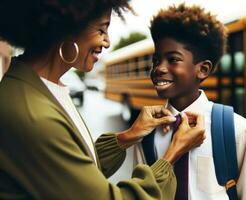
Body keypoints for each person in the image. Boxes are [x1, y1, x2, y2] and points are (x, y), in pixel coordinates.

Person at [0, 1, 206, 199]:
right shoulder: (35, 115)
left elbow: (74, 173)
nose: (107, 42)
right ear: (67, 28)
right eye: (101, 30)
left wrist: (127, 136)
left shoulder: (40, 89)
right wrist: (173, 155)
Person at [134, 3, 246, 200]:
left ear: (203, 69)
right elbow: (138, 192)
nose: (159, 68)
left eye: (173, 59)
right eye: (156, 60)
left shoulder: (234, 128)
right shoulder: (147, 132)